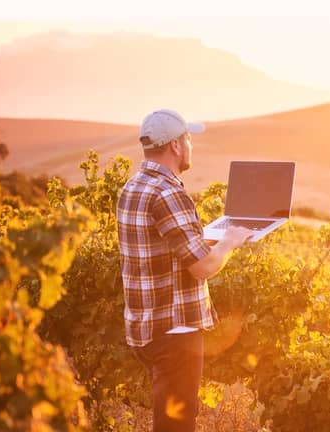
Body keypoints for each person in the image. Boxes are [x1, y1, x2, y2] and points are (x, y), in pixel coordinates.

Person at [117, 109, 253, 431]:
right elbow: (203, 268)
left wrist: (205, 236)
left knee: (169, 419)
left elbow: (161, 243)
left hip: (145, 328)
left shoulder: (134, 187)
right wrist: (229, 242)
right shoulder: (168, 192)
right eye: (188, 138)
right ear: (176, 146)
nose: (191, 145)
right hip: (175, 333)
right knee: (176, 425)